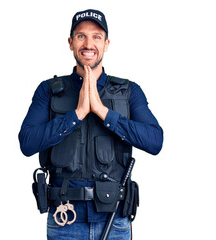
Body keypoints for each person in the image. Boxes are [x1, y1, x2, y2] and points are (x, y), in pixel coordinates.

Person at [19, 9, 163, 240]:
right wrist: (77, 114)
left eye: (96, 36)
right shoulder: (48, 90)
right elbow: (27, 143)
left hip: (113, 220)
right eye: (81, 36)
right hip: (65, 219)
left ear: (106, 43)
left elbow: (155, 142)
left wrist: (103, 112)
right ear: (70, 42)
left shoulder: (128, 91)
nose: (88, 44)